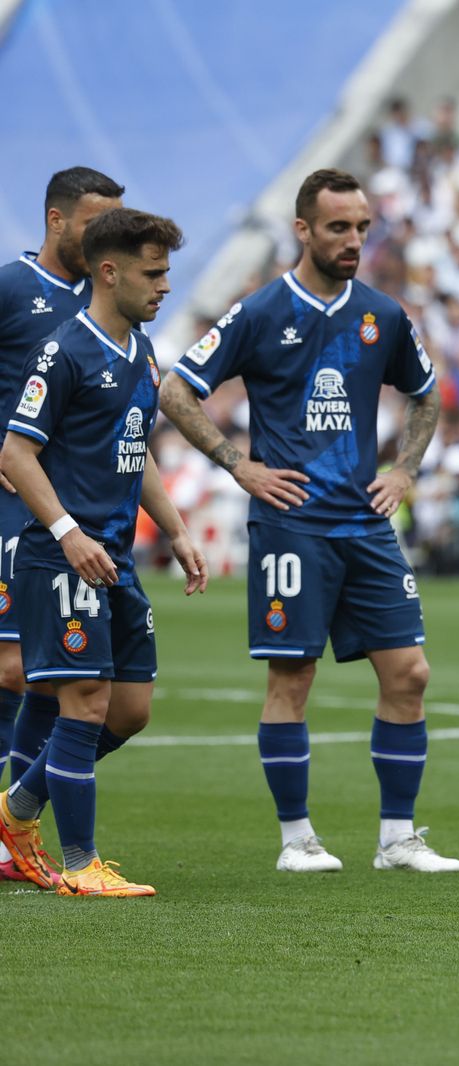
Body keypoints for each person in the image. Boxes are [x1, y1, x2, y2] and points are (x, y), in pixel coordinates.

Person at [158, 169, 459, 874]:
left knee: (410, 674)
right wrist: (239, 464)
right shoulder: (261, 311)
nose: (354, 240)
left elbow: (425, 395)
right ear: (303, 230)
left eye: (361, 227)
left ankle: (397, 839)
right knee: (292, 680)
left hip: (363, 522)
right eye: (338, 228)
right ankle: (297, 839)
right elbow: (176, 389)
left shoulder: (382, 315)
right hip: (291, 524)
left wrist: (405, 469)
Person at [0, 208, 207, 896]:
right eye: (154, 273)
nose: (165, 286)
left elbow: (133, 449)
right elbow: (16, 452)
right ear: (109, 271)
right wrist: (67, 532)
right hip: (62, 557)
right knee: (84, 703)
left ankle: (16, 808)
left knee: (129, 711)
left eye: (168, 272)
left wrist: (175, 529)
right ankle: (83, 863)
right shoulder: (65, 350)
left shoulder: (139, 350)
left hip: (112, 557)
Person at [0, 168, 123, 883]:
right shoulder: (14, 289)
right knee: (15, 669)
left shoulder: (104, 305)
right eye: (95, 223)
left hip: (68, 510)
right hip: (13, 501)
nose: (107, 237)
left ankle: (15, 825)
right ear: (56, 220)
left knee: (53, 681)